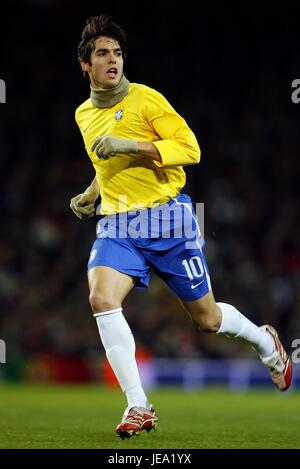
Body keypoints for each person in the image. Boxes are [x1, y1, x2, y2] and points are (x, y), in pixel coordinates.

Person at [70, 14, 292, 440]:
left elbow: (190, 149)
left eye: (117, 52)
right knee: (101, 297)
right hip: (117, 225)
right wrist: (92, 193)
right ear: (86, 65)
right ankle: (138, 404)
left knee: (206, 320)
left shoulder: (147, 100)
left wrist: (131, 143)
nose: (112, 60)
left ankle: (266, 343)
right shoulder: (83, 114)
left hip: (168, 218)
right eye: (102, 53)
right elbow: (106, 162)